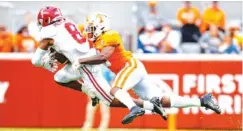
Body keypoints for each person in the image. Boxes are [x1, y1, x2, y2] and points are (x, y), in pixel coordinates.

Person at [74, 12, 222, 124]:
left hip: (130, 66)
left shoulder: (110, 35)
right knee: (163, 100)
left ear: (101, 26)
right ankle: (203, 101)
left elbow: (103, 57)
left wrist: (80, 60)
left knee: (115, 90)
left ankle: (134, 108)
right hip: (131, 70)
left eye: (91, 28)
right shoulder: (97, 41)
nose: (89, 31)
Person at [31, 6, 166, 124]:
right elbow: (66, 50)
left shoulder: (50, 33)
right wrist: (53, 54)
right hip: (80, 60)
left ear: (47, 21)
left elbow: (35, 61)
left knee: (109, 101)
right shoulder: (67, 23)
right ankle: (90, 92)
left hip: (85, 66)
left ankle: (150, 106)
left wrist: (44, 62)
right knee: (59, 77)